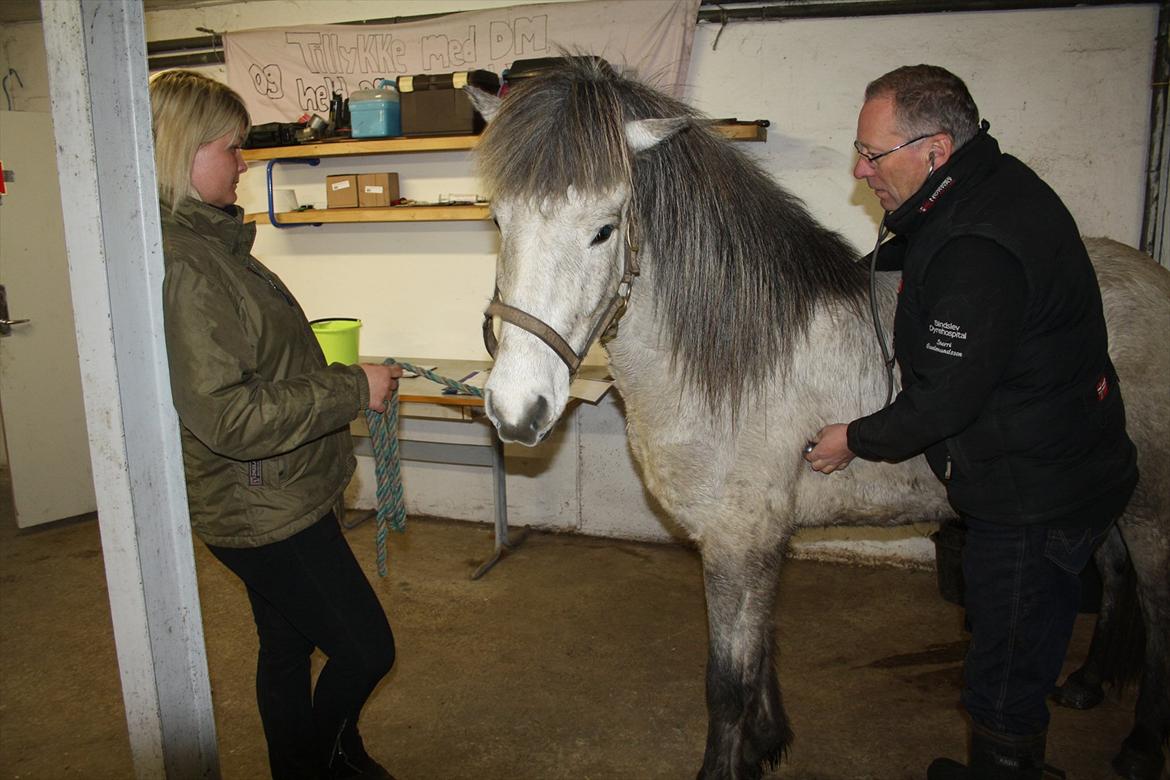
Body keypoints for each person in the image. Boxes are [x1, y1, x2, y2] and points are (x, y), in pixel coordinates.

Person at [804, 65, 1138, 779]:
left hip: (1031, 491)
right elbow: (916, 245)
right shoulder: (989, 183)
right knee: (1002, 633)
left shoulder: (977, 248)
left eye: (873, 152)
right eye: (858, 149)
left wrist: (852, 440)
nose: (860, 170)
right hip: (1059, 457)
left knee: (1006, 674)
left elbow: (944, 399)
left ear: (934, 150)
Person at [150, 69, 403, 780]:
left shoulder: (212, 246)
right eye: (230, 149)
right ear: (182, 151)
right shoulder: (191, 266)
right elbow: (229, 414)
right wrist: (353, 388)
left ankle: (310, 762)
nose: (243, 162)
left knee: (287, 647)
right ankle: (325, 760)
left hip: (273, 488)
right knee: (366, 649)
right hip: (260, 503)